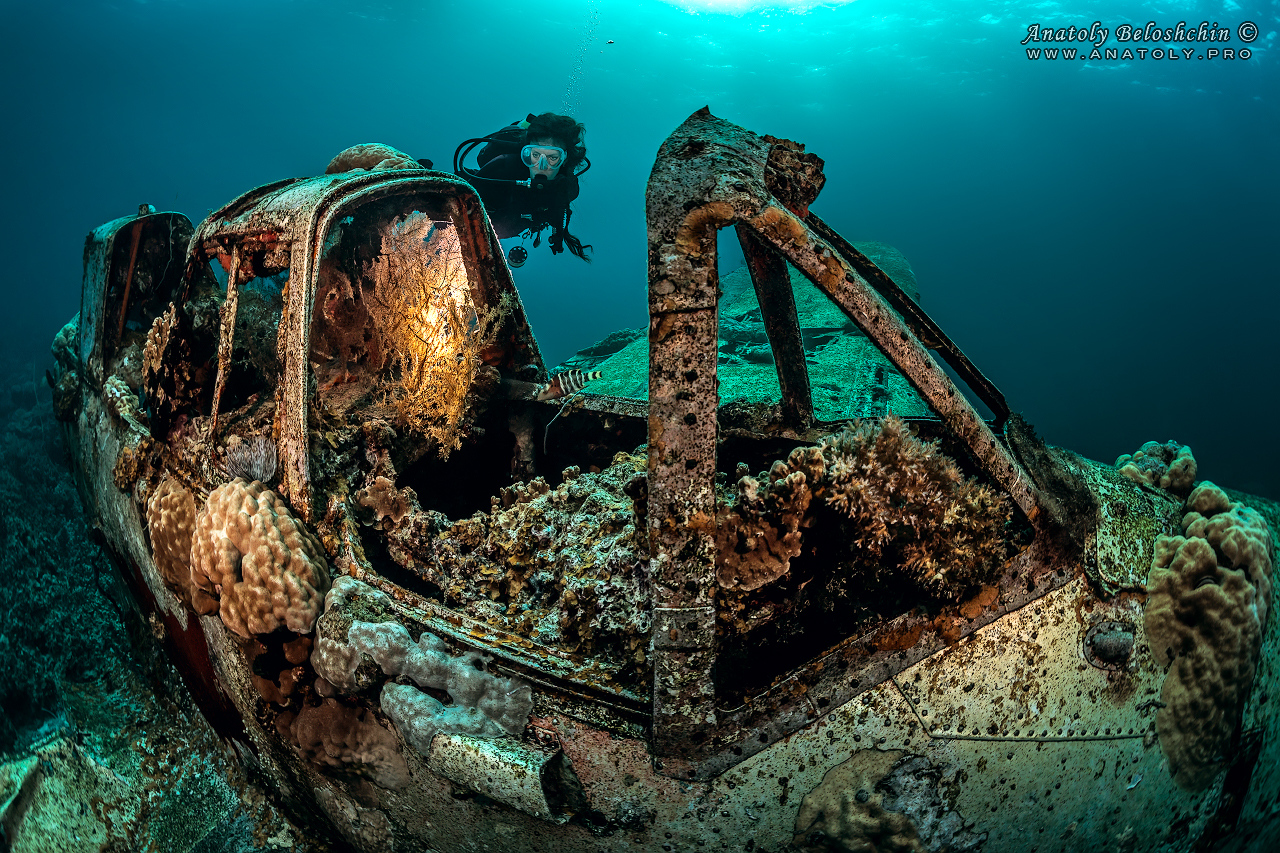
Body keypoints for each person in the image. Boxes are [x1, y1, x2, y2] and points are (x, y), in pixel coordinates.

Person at [454, 113, 592, 261]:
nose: (541, 166)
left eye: (552, 158)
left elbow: (558, 215)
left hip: (510, 226)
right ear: (526, 153)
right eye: (536, 155)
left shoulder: (566, 189)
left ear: (564, 160)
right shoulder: (503, 166)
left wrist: (558, 236)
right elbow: (462, 196)